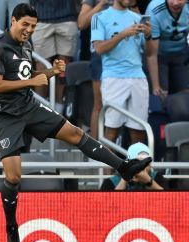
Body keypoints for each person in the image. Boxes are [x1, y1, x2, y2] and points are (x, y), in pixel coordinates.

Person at [0, 3, 153, 242]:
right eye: (25, 24)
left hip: (28, 106)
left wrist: (51, 71)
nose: (29, 30)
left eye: (33, 26)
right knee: (14, 177)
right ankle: (11, 225)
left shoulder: (26, 45)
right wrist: (33, 81)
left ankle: (123, 167)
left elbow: (23, 75)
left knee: (74, 133)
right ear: (13, 21)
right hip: (5, 115)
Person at [91, 0, 154, 144]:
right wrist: (123, 34)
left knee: (138, 132)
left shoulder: (138, 18)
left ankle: (138, 167)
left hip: (138, 77)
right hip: (113, 77)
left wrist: (149, 36)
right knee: (111, 131)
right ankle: (106, 167)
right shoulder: (99, 17)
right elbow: (99, 48)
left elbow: (150, 53)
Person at [28, 0, 79, 113]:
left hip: (68, 16)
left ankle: (59, 109)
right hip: (40, 17)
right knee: (41, 66)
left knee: (63, 68)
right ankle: (41, 108)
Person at [78, 0, 113, 139]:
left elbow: (136, 19)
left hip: (123, 59)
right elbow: (82, 23)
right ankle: (95, 151)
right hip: (99, 56)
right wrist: (101, 4)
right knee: (99, 104)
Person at [145, 0, 189, 97]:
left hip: (181, 53)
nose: (176, 3)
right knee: (162, 94)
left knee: (185, 94)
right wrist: (156, 86)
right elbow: (151, 54)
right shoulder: (154, 10)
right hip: (159, 56)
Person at [101, 142, 166, 190]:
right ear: (128, 163)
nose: (142, 167)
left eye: (146, 163)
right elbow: (106, 204)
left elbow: (169, 202)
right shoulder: (111, 181)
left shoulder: (157, 177)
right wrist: (125, 179)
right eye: (139, 163)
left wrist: (149, 182)